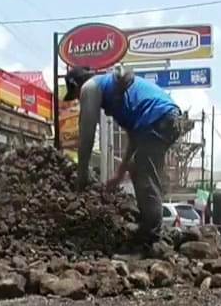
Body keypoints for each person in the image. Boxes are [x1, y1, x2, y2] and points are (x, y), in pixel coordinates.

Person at [65, 65, 190, 252]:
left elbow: (87, 133)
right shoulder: (113, 93)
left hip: (159, 117)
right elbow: (134, 138)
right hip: (164, 120)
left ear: (75, 85)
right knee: (137, 167)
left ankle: (150, 242)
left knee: (144, 173)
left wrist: (81, 173)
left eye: (74, 95)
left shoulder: (89, 87)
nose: (77, 99)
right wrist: (119, 174)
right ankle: (148, 230)